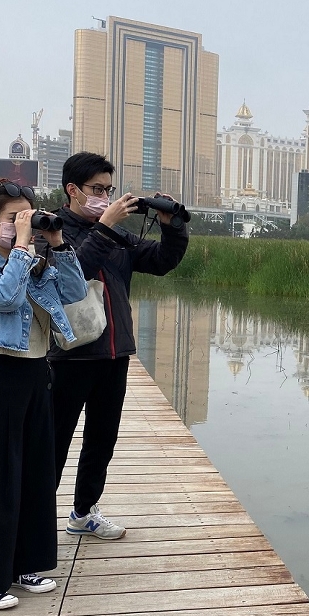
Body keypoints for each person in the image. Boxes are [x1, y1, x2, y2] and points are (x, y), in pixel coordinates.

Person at [0, 178, 88, 610]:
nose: (21, 225)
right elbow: (6, 298)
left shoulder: (34, 264)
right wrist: (24, 248)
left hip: (35, 375)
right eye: (14, 218)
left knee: (33, 475)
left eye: (27, 216)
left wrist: (58, 243)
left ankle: (26, 563)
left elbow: (76, 294)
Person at [43, 152, 188, 540]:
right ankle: (35, 524)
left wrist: (172, 227)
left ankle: (83, 512)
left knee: (101, 441)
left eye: (109, 189)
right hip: (69, 356)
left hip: (113, 353)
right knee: (53, 441)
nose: (105, 197)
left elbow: (160, 261)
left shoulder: (117, 235)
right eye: (97, 189)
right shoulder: (51, 231)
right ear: (72, 190)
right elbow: (73, 278)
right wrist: (105, 226)